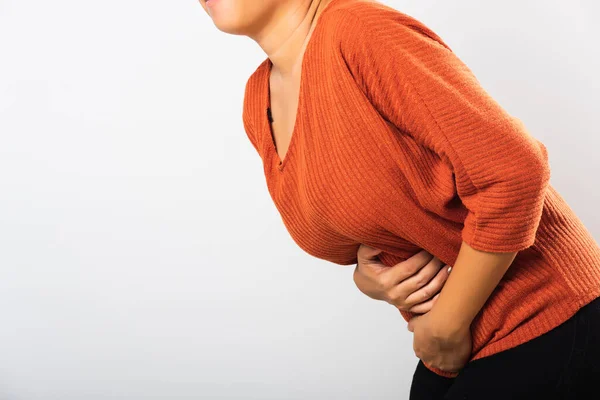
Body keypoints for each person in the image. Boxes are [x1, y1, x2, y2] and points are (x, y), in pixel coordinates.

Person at [200, 0, 600, 398]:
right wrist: (370, 279)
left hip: (547, 315)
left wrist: (446, 325)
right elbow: (361, 227)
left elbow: (515, 170)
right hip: (453, 346)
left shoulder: (359, 33)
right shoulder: (260, 99)